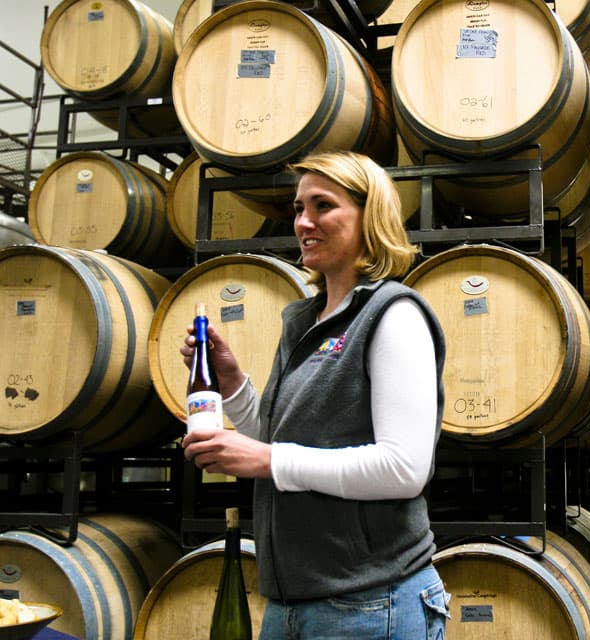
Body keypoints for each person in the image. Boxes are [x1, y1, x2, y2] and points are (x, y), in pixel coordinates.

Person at [180, 151, 450, 639]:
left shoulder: (393, 315)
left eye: (323, 205)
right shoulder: (305, 320)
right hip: (293, 599)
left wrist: (268, 461)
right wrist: (232, 381)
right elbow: (277, 436)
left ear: (370, 216)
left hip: (371, 602)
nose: (304, 222)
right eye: (299, 208)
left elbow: (403, 469)